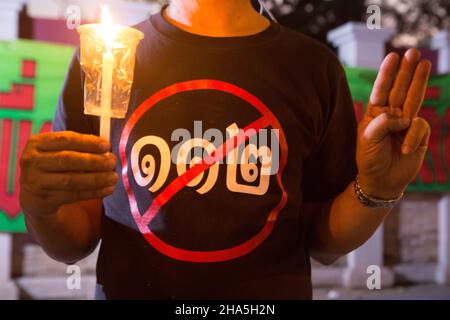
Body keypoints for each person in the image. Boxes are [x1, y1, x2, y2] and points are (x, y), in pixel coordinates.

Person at [19, 0, 431, 299]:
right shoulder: (106, 65)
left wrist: (377, 190)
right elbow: (73, 243)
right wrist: (40, 205)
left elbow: (322, 241)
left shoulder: (313, 68)